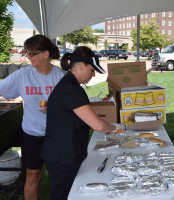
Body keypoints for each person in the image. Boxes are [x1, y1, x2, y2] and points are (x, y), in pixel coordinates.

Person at [40, 46, 124, 200]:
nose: (93, 75)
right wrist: (115, 127)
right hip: (62, 155)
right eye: (92, 70)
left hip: (64, 152)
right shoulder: (70, 89)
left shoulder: (70, 85)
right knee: (62, 195)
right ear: (80, 66)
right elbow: (97, 125)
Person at [0, 35, 65, 200]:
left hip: (56, 134)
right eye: (26, 53)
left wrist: (53, 108)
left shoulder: (61, 77)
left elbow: (73, 107)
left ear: (45, 54)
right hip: (32, 133)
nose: (28, 57)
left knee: (59, 176)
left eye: (32, 54)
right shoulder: (23, 75)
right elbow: (2, 89)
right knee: (33, 175)